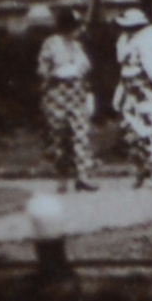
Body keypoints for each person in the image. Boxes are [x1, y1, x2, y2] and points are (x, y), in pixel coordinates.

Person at [107, 0, 152, 183]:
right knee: (132, 132)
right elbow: (123, 72)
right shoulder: (124, 42)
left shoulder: (147, 42)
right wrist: (119, 92)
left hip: (146, 90)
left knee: (151, 129)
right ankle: (141, 170)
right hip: (130, 92)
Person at [34, 12, 100, 188]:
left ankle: (83, 177)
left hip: (76, 93)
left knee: (81, 133)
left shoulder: (77, 46)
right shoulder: (51, 44)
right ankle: (62, 177)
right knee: (59, 135)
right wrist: (54, 76)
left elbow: (86, 71)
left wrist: (88, 93)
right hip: (57, 93)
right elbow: (43, 70)